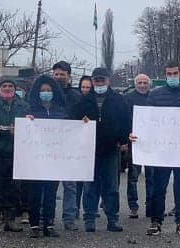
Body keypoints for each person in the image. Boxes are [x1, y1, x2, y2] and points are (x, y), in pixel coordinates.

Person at [134, 62, 180, 237]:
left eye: (175, 73)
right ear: (165, 75)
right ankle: (156, 221)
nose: (172, 76)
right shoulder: (155, 95)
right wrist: (138, 136)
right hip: (161, 151)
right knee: (158, 187)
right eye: (169, 73)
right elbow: (147, 122)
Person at [83, 67, 130, 233]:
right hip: (90, 150)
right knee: (90, 186)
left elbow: (126, 121)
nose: (99, 82)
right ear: (92, 81)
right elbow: (74, 119)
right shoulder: (84, 100)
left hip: (111, 148)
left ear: (108, 80)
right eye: (96, 80)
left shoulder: (118, 99)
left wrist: (124, 141)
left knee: (111, 186)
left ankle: (112, 218)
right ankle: (89, 218)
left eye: (102, 79)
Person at [24, 75, 69, 238]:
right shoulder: (30, 110)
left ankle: (49, 224)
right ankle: (34, 224)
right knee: (35, 193)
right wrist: (26, 121)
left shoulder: (61, 111)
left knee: (51, 193)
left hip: (54, 159)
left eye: (49, 90)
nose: (46, 93)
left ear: (54, 92)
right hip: (35, 159)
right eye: (43, 90)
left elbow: (69, 132)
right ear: (37, 92)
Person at [0, 77, 29, 233]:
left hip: (16, 153)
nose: (8, 88)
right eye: (5, 85)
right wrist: (8, 130)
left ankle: (10, 219)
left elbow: (28, 124)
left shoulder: (23, 106)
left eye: (11, 86)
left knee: (14, 187)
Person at [52, 61, 82, 231]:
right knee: (50, 183)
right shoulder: (45, 93)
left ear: (69, 76)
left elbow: (83, 116)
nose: (59, 77)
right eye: (56, 74)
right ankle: (46, 216)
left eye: (62, 74)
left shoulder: (76, 96)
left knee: (70, 184)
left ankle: (69, 218)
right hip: (50, 146)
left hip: (70, 146)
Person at [124, 73, 153, 218]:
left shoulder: (154, 98)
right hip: (134, 143)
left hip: (152, 144)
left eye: (145, 83)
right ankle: (133, 206)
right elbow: (123, 119)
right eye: (140, 83)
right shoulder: (127, 98)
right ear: (135, 84)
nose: (142, 85)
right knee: (133, 177)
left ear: (149, 84)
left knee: (151, 177)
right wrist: (126, 136)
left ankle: (151, 204)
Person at [73, 75, 94, 219]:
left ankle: (90, 210)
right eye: (83, 87)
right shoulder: (76, 102)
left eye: (88, 87)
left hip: (92, 146)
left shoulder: (95, 103)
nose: (85, 90)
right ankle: (75, 208)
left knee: (90, 182)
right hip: (77, 146)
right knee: (77, 182)